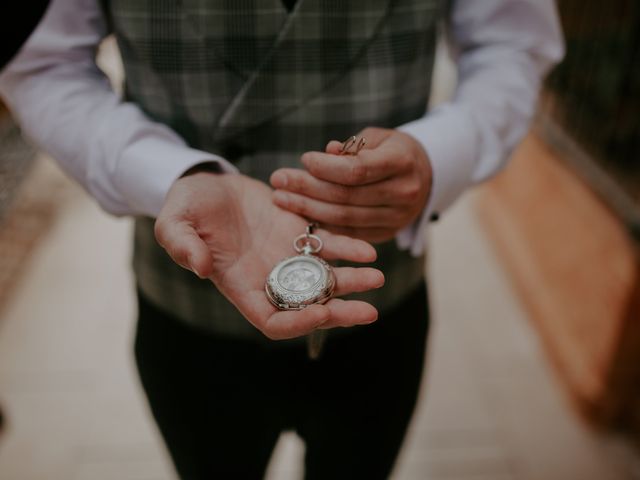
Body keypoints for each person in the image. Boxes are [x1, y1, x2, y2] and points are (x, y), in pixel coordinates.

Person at [0, 0, 563, 478]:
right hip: (189, 313)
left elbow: (512, 44)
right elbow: (43, 64)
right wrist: (168, 172)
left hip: (379, 307)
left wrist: (441, 155)